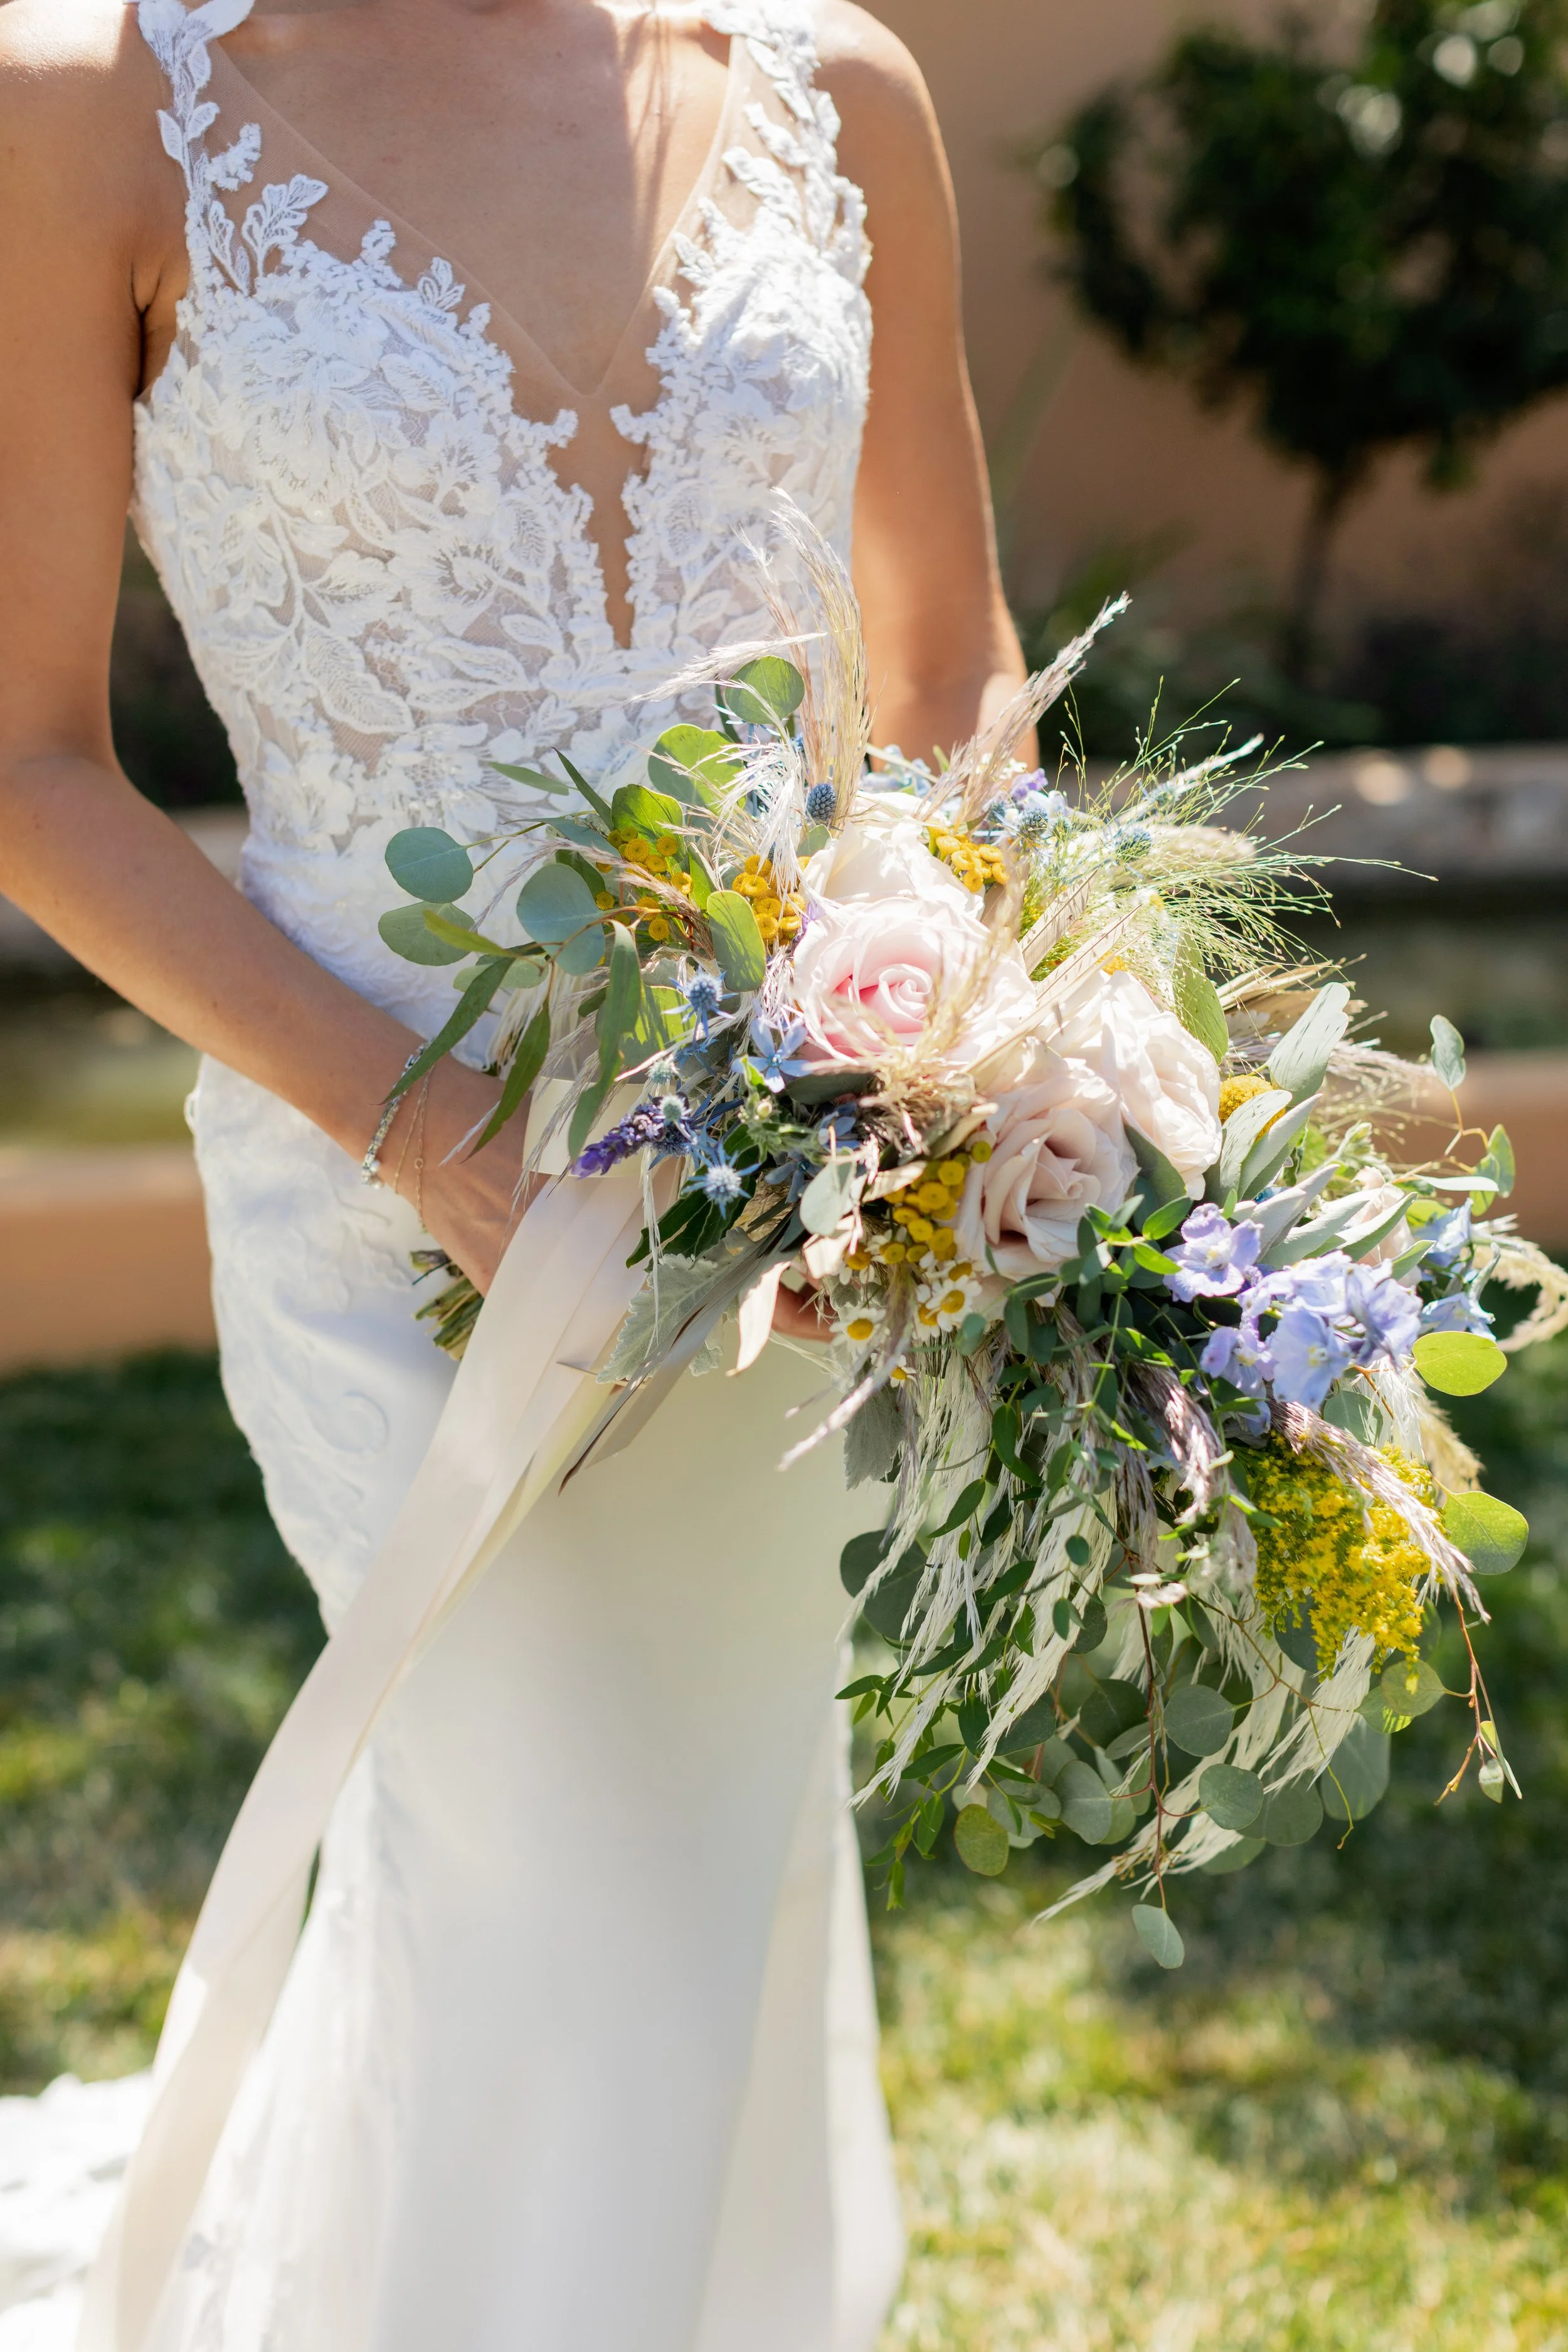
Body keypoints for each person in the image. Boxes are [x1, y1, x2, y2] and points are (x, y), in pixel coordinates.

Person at [0, 0, 1027, 2343]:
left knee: (701, 1855)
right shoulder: (87, 107)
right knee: (542, 1849)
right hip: (386, 1191)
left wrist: (957, 1033)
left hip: (787, 1190)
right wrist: (440, 1139)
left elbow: (948, 660)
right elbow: (29, 766)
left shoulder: (834, 86)